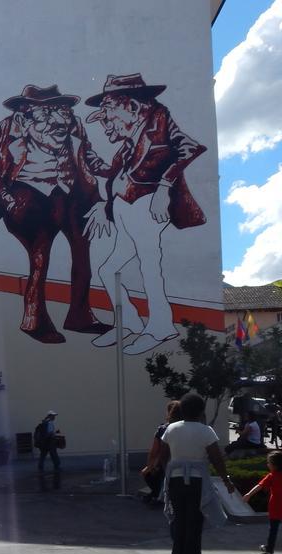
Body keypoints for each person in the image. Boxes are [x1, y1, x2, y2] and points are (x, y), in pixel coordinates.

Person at [0, 84, 110, 343]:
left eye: (61, 110)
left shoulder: (72, 125)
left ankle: (80, 316)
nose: (58, 119)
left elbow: (87, 155)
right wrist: (9, 201)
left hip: (68, 192)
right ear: (26, 115)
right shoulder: (8, 128)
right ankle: (34, 320)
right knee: (40, 255)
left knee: (82, 249)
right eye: (48, 112)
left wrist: (109, 171)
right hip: (25, 193)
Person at [83, 73, 207, 355]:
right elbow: (108, 171)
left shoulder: (160, 120)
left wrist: (164, 187)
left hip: (147, 203)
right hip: (125, 205)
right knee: (108, 269)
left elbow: (190, 148)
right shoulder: (129, 138)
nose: (107, 116)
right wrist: (84, 149)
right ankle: (129, 322)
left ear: (132, 105)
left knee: (149, 265)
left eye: (110, 107)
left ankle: (161, 326)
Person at [158, 393, 236, 554]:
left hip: (175, 480)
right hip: (197, 482)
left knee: (179, 521)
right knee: (194, 525)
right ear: (201, 411)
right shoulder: (206, 431)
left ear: (182, 409)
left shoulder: (171, 429)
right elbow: (216, 458)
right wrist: (226, 479)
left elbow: (163, 456)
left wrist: (168, 473)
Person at [141, 400, 181, 503]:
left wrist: (149, 466)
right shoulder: (189, 428)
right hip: (185, 463)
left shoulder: (163, 429)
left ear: (169, 413)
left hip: (166, 463)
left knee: (148, 473)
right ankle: (158, 494)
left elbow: (154, 451)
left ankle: (156, 494)